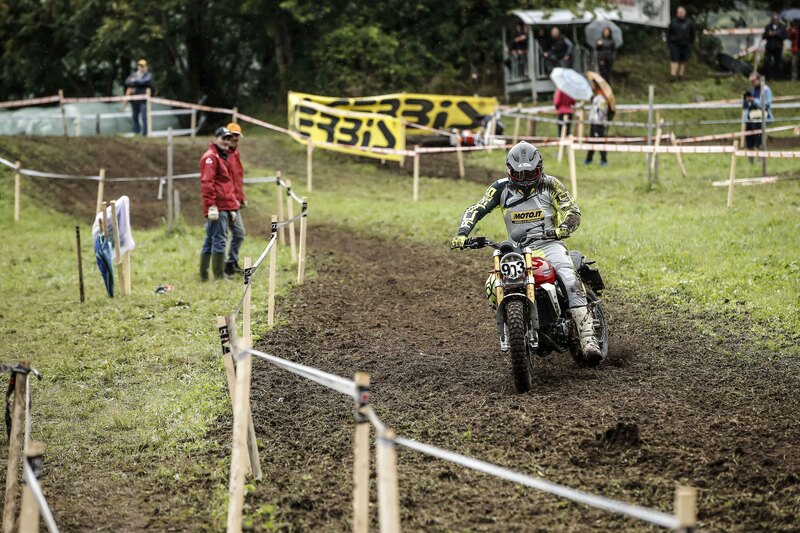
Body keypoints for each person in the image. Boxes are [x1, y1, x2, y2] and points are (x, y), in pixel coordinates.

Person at [450, 142, 602, 364]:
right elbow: (476, 208)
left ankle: (589, 339)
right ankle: (520, 325)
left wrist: (562, 229)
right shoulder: (500, 188)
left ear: (539, 168)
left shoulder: (551, 185)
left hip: (550, 244)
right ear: (509, 170)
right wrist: (463, 233)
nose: (524, 179)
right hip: (517, 249)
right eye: (518, 174)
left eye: (529, 173)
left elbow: (572, 210)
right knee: (494, 283)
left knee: (569, 279)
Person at [199, 127, 239, 281]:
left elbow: (226, 184)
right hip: (217, 206)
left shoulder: (222, 156)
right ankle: (219, 276)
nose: (226, 141)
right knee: (219, 239)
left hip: (223, 205)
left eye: (228, 139)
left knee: (211, 239)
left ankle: (204, 276)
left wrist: (232, 207)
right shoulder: (211, 157)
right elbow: (207, 183)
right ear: (216, 138)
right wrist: (211, 206)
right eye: (223, 138)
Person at [224, 122, 246, 276]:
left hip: (234, 200)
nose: (234, 139)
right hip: (224, 201)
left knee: (238, 234)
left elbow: (237, 178)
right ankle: (222, 267)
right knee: (220, 236)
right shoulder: (223, 155)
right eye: (232, 135)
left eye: (237, 136)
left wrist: (241, 197)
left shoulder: (236, 153)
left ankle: (231, 263)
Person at [742, 73, 773, 161]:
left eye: (753, 81)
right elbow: (745, 107)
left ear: (758, 80)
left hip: (761, 119)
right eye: (750, 81)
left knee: (759, 140)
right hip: (750, 119)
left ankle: (761, 159)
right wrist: (746, 100)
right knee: (749, 140)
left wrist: (754, 100)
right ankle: (750, 160)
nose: (752, 83)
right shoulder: (751, 90)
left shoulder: (766, 90)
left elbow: (766, 104)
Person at [124, 59, 154, 136]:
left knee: (144, 117)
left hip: (143, 100)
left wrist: (134, 82)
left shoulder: (148, 75)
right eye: (140, 66)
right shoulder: (134, 74)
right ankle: (136, 133)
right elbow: (127, 82)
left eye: (143, 66)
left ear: (146, 67)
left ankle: (145, 134)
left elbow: (144, 82)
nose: (141, 68)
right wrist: (137, 81)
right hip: (134, 100)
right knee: (135, 117)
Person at [666, 7, 695, 82]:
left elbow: (693, 34)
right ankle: (673, 75)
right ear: (677, 13)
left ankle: (680, 76)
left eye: (682, 12)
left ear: (685, 13)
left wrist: (691, 43)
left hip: (685, 44)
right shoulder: (673, 22)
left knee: (682, 60)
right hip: (674, 44)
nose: (680, 13)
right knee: (674, 59)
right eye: (679, 12)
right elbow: (668, 33)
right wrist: (669, 43)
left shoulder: (689, 22)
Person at [584, 81, 609, 167]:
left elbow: (602, 111)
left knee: (600, 142)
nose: (593, 88)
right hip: (593, 123)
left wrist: (597, 118)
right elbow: (593, 111)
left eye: (594, 86)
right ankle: (588, 159)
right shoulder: (595, 98)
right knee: (591, 141)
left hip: (599, 124)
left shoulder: (602, 99)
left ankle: (604, 160)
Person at [762, 14, 787, 79]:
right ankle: (767, 77)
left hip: (778, 48)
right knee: (767, 61)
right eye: (774, 19)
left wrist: (777, 34)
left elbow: (784, 36)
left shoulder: (782, 27)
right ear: (772, 20)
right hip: (769, 47)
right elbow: (763, 36)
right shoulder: (768, 27)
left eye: (776, 19)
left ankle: (777, 77)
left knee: (778, 62)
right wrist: (769, 34)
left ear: (778, 20)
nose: (775, 21)